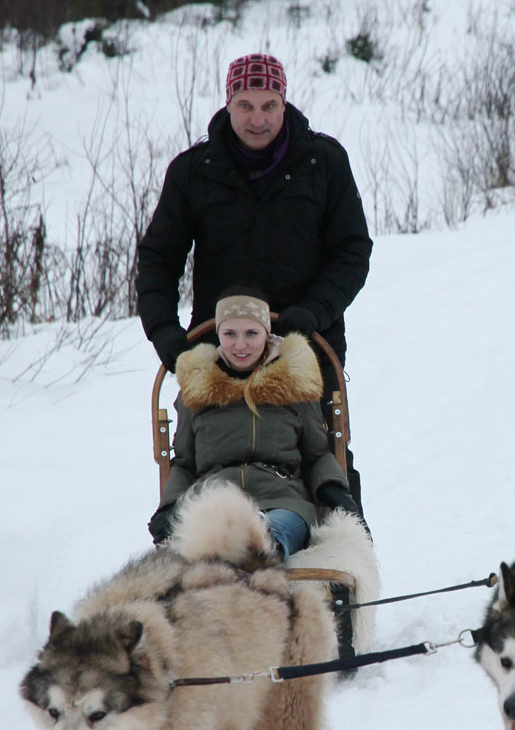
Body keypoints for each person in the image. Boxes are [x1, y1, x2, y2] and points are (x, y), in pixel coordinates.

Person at [135, 52, 372, 520]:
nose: (257, 119)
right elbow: (158, 259)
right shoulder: (194, 171)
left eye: (269, 106)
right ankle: (206, 551)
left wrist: (313, 311)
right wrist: (164, 332)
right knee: (207, 462)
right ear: (228, 104)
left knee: (324, 464)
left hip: (306, 346)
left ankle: (344, 557)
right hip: (221, 350)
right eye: (245, 106)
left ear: (285, 103)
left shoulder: (323, 162)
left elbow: (352, 251)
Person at [146, 288, 360, 556]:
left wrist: (334, 489)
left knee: (271, 536)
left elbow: (317, 455)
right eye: (230, 334)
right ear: (219, 335)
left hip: (282, 501)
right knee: (211, 539)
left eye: (251, 333)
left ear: (266, 333)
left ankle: (263, 547)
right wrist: (169, 506)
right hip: (214, 503)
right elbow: (184, 464)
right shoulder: (198, 391)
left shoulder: (294, 386)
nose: (240, 345)